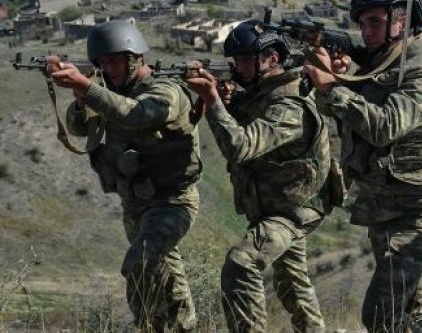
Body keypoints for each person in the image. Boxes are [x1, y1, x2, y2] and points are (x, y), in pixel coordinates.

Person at [303, 0, 422, 333]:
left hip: (418, 211)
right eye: (362, 24)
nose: (366, 32)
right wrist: (336, 79)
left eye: (375, 22)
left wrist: (331, 87)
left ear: (403, 20)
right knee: (412, 305)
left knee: (381, 312)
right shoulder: (386, 67)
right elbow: (343, 114)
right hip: (386, 202)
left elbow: (386, 126)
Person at [49, 20, 200, 331]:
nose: (109, 69)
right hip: (136, 201)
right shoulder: (112, 93)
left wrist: (88, 88)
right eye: (102, 63)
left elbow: (138, 113)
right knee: (164, 275)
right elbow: (79, 128)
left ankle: (148, 326)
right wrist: (82, 98)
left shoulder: (165, 89)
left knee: (139, 262)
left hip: (172, 202)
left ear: (135, 57)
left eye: (115, 61)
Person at [185, 20, 329, 332]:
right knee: (292, 284)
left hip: (294, 211)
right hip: (277, 206)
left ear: (272, 58)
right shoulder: (263, 94)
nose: (238, 68)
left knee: (242, 263)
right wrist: (228, 104)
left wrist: (212, 100)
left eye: (245, 60)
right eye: (236, 61)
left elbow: (241, 147)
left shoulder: (288, 103)